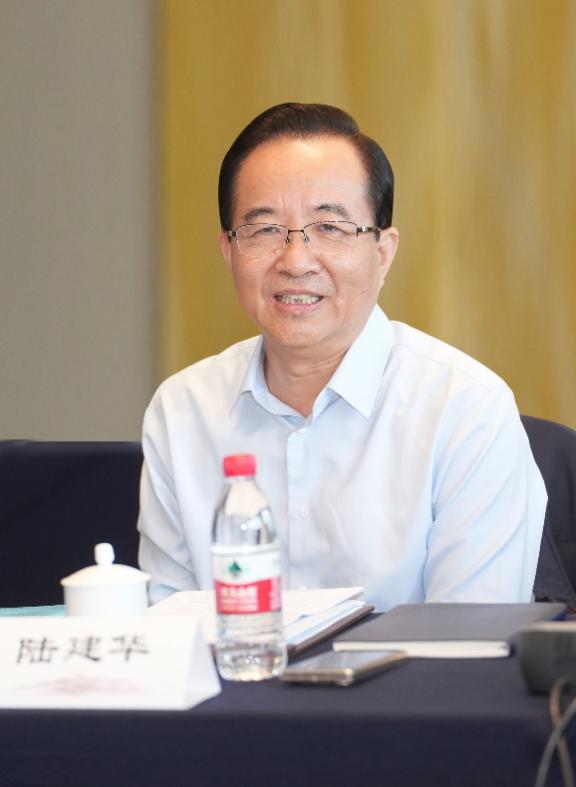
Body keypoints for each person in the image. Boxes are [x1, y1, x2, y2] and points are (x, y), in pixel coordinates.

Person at [138, 102, 546, 611]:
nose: (296, 260)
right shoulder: (182, 411)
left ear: (382, 252)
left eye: (330, 227)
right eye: (264, 230)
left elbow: (468, 643)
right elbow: (168, 627)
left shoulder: (465, 411)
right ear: (228, 252)